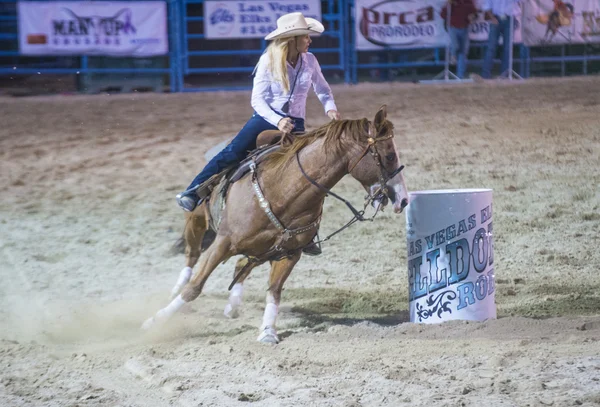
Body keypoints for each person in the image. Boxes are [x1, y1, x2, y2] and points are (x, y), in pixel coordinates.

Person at [176, 12, 341, 255]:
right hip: (265, 120)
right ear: (292, 39)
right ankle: (192, 191)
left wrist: (331, 109)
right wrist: (277, 120)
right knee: (233, 152)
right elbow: (258, 100)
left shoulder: (311, 61)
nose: (310, 40)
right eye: (306, 36)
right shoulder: (268, 60)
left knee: (306, 172)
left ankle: (307, 232)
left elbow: (323, 90)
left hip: (295, 124)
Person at [481, 0, 522, 79]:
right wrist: (492, 18)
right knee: (491, 48)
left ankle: (504, 74)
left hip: (510, 18)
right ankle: (485, 75)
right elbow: (487, 6)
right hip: (496, 18)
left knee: (508, 48)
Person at [440, 0, 477, 79]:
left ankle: (460, 75)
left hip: (464, 28)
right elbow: (443, 15)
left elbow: (475, 14)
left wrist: (472, 17)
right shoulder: (451, 2)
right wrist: (447, 5)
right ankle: (453, 56)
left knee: (463, 52)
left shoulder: (468, 2)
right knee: (455, 45)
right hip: (453, 27)